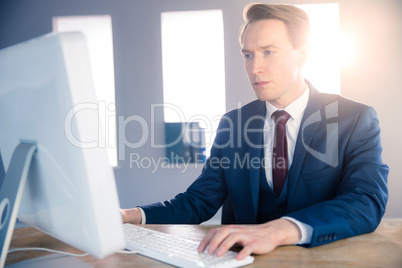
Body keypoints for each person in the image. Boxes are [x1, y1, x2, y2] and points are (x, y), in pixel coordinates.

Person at [121, 3, 388, 260]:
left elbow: (366, 201)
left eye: (268, 52)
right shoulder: (233, 124)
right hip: (245, 262)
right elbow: (198, 202)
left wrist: (283, 229)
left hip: (324, 260)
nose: (254, 68)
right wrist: (132, 215)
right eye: (248, 55)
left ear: (303, 54)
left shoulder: (354, 119)